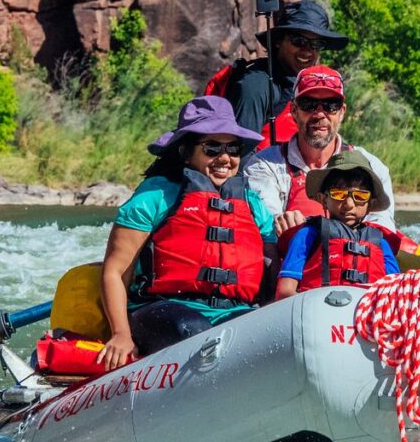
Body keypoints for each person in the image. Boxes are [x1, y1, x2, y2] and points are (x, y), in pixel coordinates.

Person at [97, 95, 279, 370]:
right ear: (185, 152)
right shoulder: (156, 196)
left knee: (260, 337)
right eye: (212, 148)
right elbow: (114, 271)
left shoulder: (252, 204)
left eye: (233, 148)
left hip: (234, 311)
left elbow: (273, 264)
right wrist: (121, 334)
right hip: (162, 309)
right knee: (194, 330)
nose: (224, 158)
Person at [239, 64, 395, 240]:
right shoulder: (263, 165)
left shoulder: (373, 167)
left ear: (342, 112)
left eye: (330, 106)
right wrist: (282, 223)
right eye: (309, 105)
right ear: (294, 111)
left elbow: (382, 227)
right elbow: (266, 224)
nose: (320, 114)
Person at [203, 0, 350, 146]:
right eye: (298, 41)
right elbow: (241, 153)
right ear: (278, 41)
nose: (307, 51)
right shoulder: (256, 85)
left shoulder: (304, 85)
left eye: (316, 44)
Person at [272, 149, 402, 298]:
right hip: (316, 314)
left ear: (371, 204)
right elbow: (284, 292)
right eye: (338, 194)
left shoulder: (381, 244)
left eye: (360, 196)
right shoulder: (307, 235)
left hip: (365, 317)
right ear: (323, 199)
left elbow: (397, 294)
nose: (348, 204)